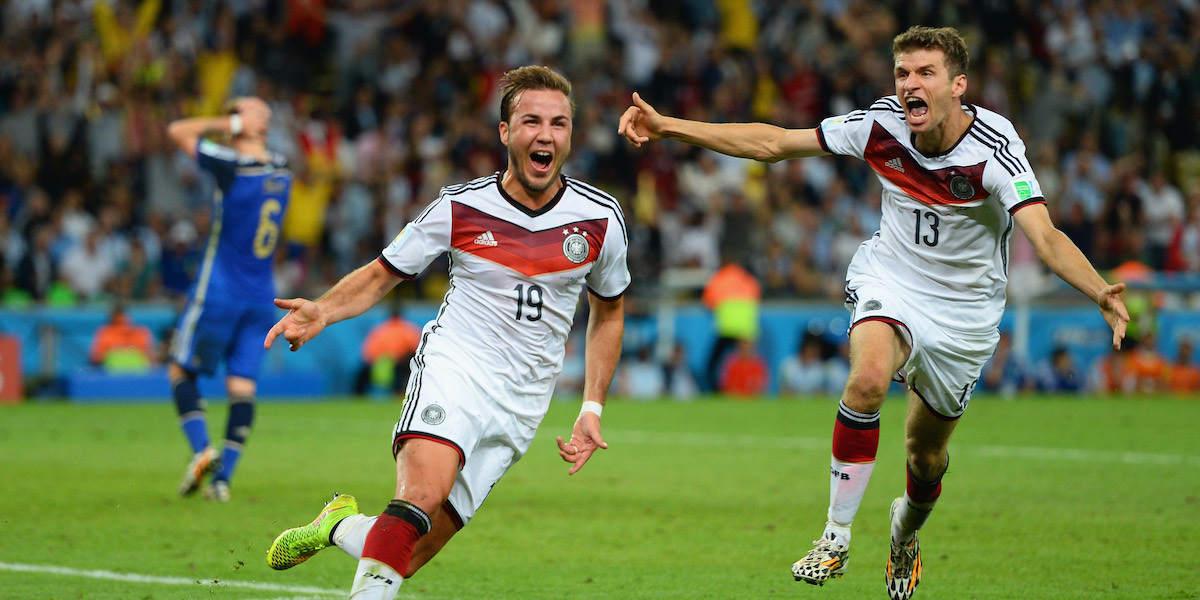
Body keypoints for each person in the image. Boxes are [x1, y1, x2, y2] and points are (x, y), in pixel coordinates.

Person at [619, 25, 1129, 600]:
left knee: (926, 457)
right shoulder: (879, 124)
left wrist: (1098, 291)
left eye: (926, 73)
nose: (910, 85)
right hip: (892, 278)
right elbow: (773, 143)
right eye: (903, 73)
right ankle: (835, 536)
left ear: (958, 85)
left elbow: (1047, 235)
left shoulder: (994, 147)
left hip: (964, 315)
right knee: (865, 382)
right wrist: (669, 126)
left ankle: (904, 531)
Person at [263, 66, 628, 600]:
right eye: (531, 121)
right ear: (505, 132)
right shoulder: (460, 207)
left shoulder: (601, 219)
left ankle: (336, 525)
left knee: (407, 554)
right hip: (455, 368)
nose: (545, 135)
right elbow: (381, 274)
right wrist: (323, 309)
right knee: (421, 496)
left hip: (523, 401)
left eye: (559, 123)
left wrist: (591, 406)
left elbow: (610, 311)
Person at [165, 96, 292, 502]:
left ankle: (203, 450)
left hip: (220, 290)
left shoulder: (231, 165)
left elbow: (177, 131)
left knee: (180, 371)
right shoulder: (283, 166)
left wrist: (230, 124)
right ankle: (222, 483)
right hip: (262, 296)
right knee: (241, 385)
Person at [353, 303, 422, 397]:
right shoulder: (409, 328)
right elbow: (417, 349)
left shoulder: (380, 329)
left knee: (362, 375)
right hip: (399, 364)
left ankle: (358, 396)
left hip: (382, 362)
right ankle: (401, 393)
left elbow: (369, 352)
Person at [89, 302, 156, 373]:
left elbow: (95, 358)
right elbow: (95, 358)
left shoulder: (104, 333)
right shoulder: (142, 332)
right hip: (135, 376)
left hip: (116, 377)